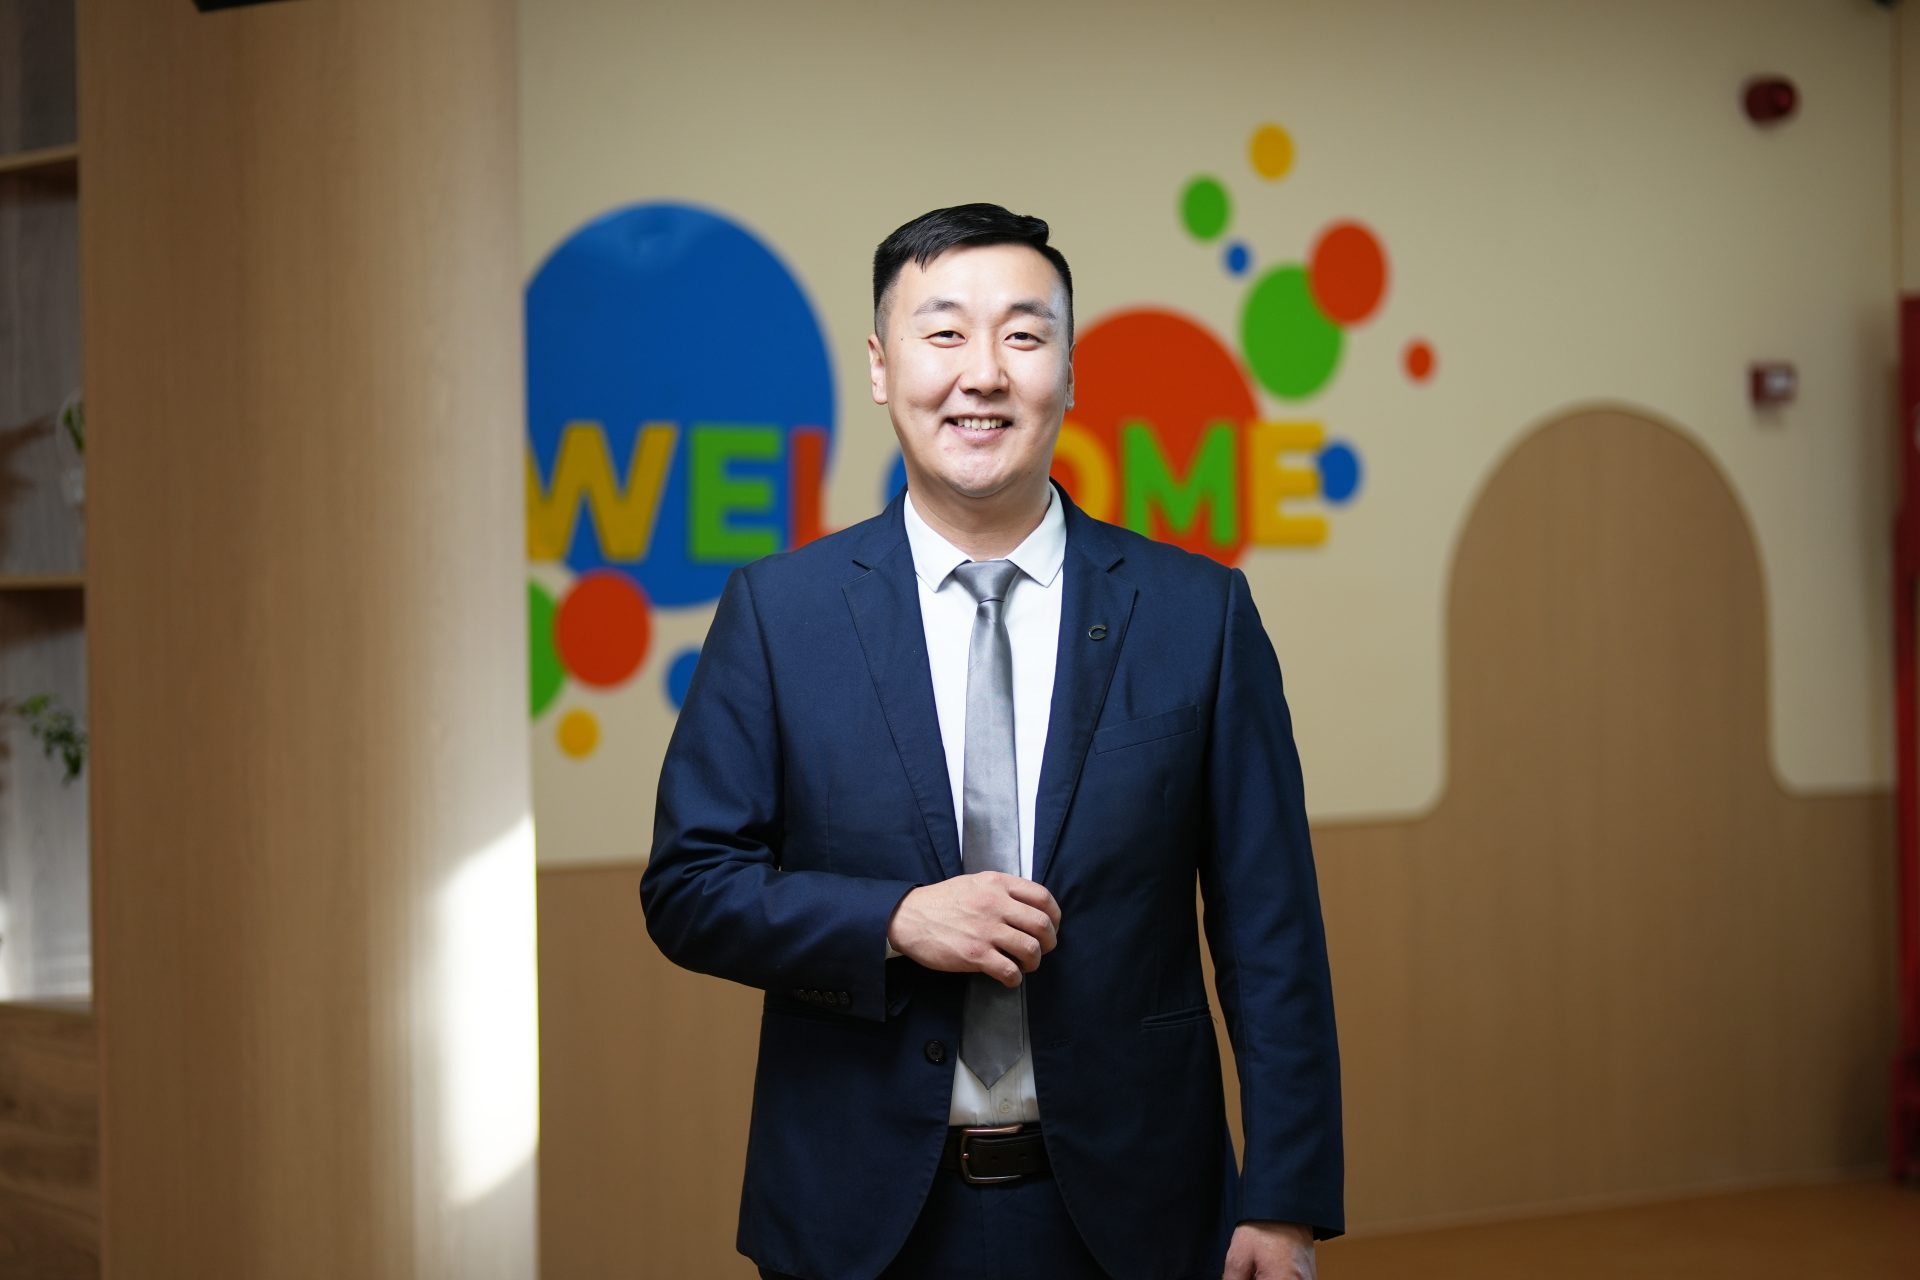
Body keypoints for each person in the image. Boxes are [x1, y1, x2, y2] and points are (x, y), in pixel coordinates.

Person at [641, 203, 1342, 1280]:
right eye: (943, 333)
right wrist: (895, 917)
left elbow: (1271, 928)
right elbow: (690, 885)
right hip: (858, 1216)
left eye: (1023, 335)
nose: (983, 373)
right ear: (881, 368)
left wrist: (1285, 1195)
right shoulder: (782, 615)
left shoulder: (1198, 615)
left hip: (1134, 1212)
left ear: (1071, 370)